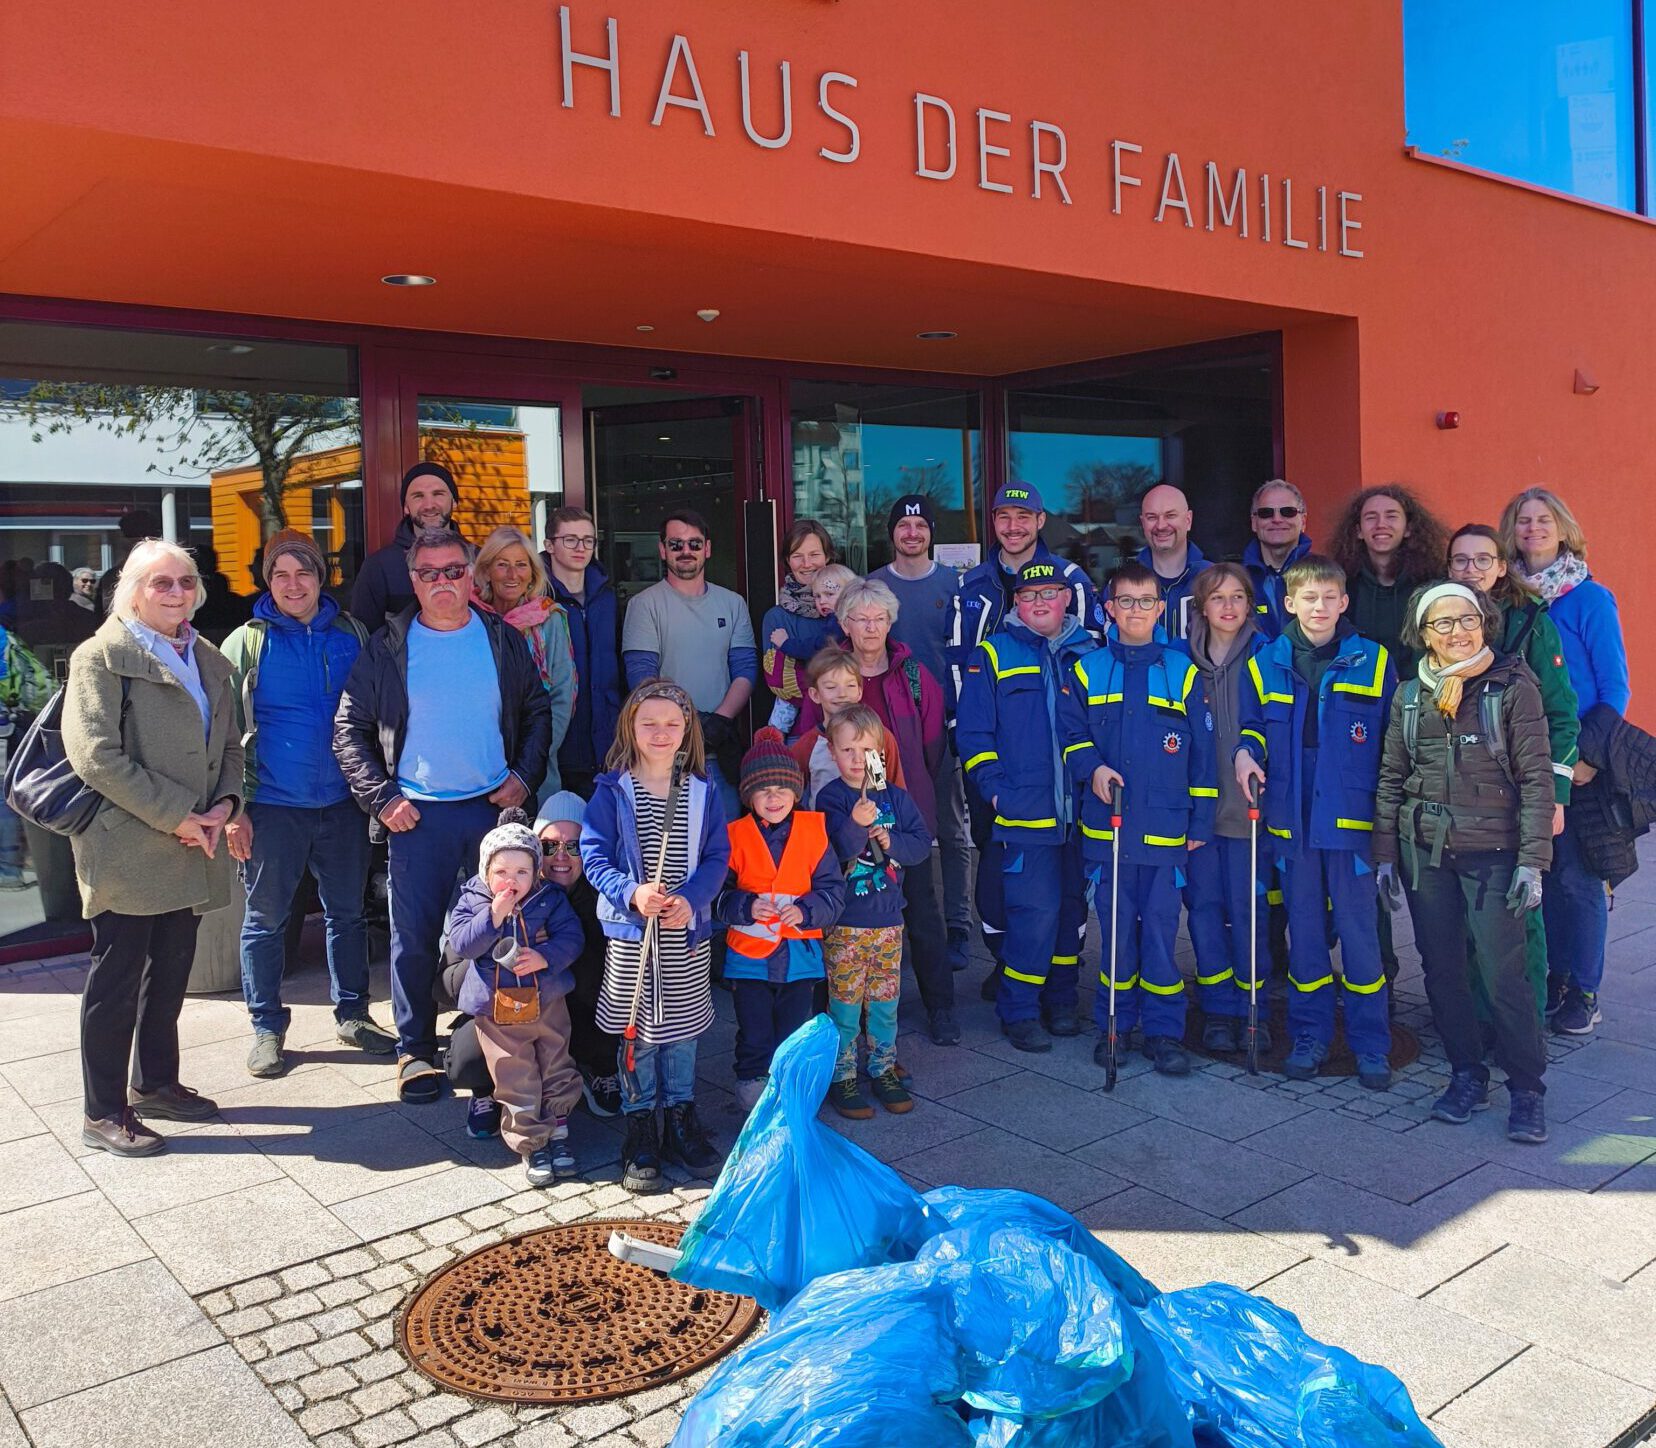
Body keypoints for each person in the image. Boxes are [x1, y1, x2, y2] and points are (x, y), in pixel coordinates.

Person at [333, 526, 552, 1104]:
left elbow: (537, 710)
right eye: (429, 574)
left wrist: (524, 776)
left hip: (492, 814)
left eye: (453, 570)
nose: (442, 582)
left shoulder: (501, 639)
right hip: (417, 815)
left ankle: (490, 1038)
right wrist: (383, 798)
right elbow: (349, 730)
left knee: (501, 925)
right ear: (414, 581)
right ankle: (414, 1050)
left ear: (469, 575)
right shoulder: (388, 646)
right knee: (413, 937)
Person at [62, 539, 244, 1156]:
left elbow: (232, 746)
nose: (176, 593)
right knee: (116, 984)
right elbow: (94, 755)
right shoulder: (101, 656)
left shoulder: (207, 657)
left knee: (168, 975)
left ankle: (157, 1084)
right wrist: (178, 816)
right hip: (128, 847)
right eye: (160, 582)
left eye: (185, 582)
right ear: (132, 591)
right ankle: (102, 1111)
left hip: (194, 842)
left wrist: (224, 806)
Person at [1374, 583, 1553, 1145]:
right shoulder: (1409, 696)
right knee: (1442, 971)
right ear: (1424, 634)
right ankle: (1466, 1074)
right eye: (1444, 623)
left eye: (1468, 619)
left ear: (1485, 622)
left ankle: (1527, 1089)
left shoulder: (1513, 687)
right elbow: (1391, 778)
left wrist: (1532, 861)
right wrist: (1385, 855)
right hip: (1425, 853)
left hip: (1495, 854)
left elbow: (1537, 779)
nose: (1458, 632)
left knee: (1503, 974)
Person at [221, 530, 390, 1079]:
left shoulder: (352, 635)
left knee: (348, 914)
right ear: (267, 582)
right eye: (281, 575)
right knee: (265, 919)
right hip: (271, 804)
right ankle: (266, 1028)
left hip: (343, 802)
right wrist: (233, 809)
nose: (293, 585)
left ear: (321, 578)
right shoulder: (247, 643)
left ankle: (354, 1015)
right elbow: (221, 733)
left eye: (304, 573)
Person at [1236, 554, 1394, 1089]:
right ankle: (1310, 1036)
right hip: (1292, 821)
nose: (1319, 607)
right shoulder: (1265, 662)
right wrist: (1245, 753)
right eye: (1309, 598)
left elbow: (1391, 745)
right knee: (1304, 936)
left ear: (1344, 602)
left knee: (1360, 937)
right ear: (1289, 603)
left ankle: (1371, 1044)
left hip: (1350, 821)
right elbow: (1252, 727)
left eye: (1329, 597)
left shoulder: (1374, 661)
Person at [948, 482, 1103, 984]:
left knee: (1066, 870)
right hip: (997, 760)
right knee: (997, 864)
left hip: (1063, 763)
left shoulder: (1072, 580)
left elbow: (1091, 656)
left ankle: (1060, 966)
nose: (1013, 526)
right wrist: (974, 755)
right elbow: (958, 666)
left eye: (1023, 516)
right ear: (992, 522)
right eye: (1003, 516)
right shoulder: (969, 584)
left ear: (1040, 521)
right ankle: (1007, 962)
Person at [1065, 562, 1215, 1076]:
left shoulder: (1182, 672)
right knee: (1115, 936)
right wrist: (1093, 767)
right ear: (1109, 608)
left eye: (1145, 601)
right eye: (1125, 601)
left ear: (1159, 608)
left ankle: (1164, 1031)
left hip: (1165, 831)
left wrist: (1200, 823)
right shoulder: (1087, 670)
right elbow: (1071, 735)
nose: (1135, 610)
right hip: (1107, 830)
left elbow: (1203, 756)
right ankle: (1115, 1025)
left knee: (1159, 935)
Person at [793, 578, 956, 1045]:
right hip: (834, 837)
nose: (870, 627)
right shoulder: (831, 672)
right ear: (844, 623)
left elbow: (928, 749)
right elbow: (805, 756)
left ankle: (939, 1006)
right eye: (860, 618)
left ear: (890, 622)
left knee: (919, 911)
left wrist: (899, 819)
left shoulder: (912, 676)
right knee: (839, 925)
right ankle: (838, 1022)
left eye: (878, 618)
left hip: (897, 818)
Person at [581, 680, 730, 1191]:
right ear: (631, 727)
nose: (661, 733)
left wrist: (691, 899)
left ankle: (681, 1114)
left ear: (687, 730)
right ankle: (640, 1120)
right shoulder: (612, 790)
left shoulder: (704, 790)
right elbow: (594, 854)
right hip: (632, 936)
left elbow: (717, 857)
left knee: (683, 1031)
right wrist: (630, 892)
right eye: (649, 723)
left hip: (684, 933)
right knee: (637, 1031)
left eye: (672, 723)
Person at [955, 559, 1097, 1054]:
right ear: (1016, 602)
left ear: (1066, 599)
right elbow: (974, 733)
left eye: (1049, 593)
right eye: (1029, 595)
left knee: (1073, 912)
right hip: (1025, 812)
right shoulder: (993, 653)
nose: (1040, 602)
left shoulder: (1092, 652)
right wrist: (996, 791)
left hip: (1083, 813)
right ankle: (1019, 1009)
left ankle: (1062, 1000)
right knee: (1033, 914)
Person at [1503, 486, 1629, 1036]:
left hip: (1578, 761)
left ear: (1563, 530)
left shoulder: (1589, 599)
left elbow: (1614, 688)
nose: (1533, 528)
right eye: (1523, 520)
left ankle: (1585, 988)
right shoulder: (1506, 599)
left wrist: (1587, 758)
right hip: (1521, 759)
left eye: (1543, 520)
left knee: (1578, 878)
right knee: (1542, 874)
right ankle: (1554, 976)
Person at [1445, 524, 1579, 1013]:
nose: (1472, 569)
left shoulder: (1530, 622)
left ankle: (1524, 1027)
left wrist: (1556, 795)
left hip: (1518, 789)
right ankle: (1477, 1021)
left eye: (1483, 559)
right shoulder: (1436, 621)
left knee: (1521, 912)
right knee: (1466, 915)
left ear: (1502, 567)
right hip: (1456, 792)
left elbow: (1561, 713)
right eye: (1461, 560)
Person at [441, 791, 623, 1138]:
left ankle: (591, 1073)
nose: (561, 856)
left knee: (598, 1025)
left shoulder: (598, 899)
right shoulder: (482, 896)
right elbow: (448, 975)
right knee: (469, 1060)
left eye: (574, 846)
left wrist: (549, 955)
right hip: (501, 1007)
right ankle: (488, 1091)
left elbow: (594, 961)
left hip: (566, 1005)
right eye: (550, 846)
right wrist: (491, 952)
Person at [446, 808, 587, 1185]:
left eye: (523, 872)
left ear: (536, 872)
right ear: (485, 872)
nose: (512, 880)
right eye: (502, 872)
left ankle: (558, 1129)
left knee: (556, 1061)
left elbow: (572, 938)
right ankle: (531, 1142)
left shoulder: (549, 898)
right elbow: (463, 944)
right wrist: (492, 916)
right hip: (498, 1010)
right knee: (515, 1073)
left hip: (547, 1000)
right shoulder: (473, 901)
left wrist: (546, 957)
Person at [872, 493, 975, 973]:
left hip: (941, 727)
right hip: (883, 731)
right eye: (903, 525)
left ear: (931, 532)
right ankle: (891, 921)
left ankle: (957, 925)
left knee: (950, 829)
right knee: (883, 825)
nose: (911, 533)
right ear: (891, 532)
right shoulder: (871, 587)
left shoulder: (955, 585)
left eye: (920, 526)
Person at [715, 728, 844, 1109]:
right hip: (748, 959)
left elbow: (833, 891)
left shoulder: (815, 832)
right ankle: (753, 1091)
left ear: (796, 792)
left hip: (799, 958)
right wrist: (744, 906)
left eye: (782, 789)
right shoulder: (733, 836)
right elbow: (716, 896)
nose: (774, 798)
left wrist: (806, 911)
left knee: (794, 1030)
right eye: (763, 790)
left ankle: (790, 1091)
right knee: (753, 1031)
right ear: (748, 796)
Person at [817, 705, 932, 1118]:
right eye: (847, 749)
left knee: (885, 1001)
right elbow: (832, 852)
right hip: (846, 922)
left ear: (879, 753)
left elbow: (921, 845)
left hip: (888, 920)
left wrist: (891, 840)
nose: (856, 758)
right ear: (833, 752)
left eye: (865, 750)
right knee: (845, 1003)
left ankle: (883, 1066)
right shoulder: (831, 797)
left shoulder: (895, 797)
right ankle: (842, 1074)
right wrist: (854, 822)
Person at [620, 509, 757, 819]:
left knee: (725, 839)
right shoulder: (644, 605)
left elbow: (746, 669)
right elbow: (642, 678)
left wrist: (719, 720)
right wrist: (685, 725)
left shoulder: (733, 603)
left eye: (694, 544)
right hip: (667, 754)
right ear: (662, 549)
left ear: (707, 549)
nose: (685, 551)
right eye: (676, 544)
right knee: (673, 841)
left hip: (719, 750)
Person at [1186, 562, 1273, 1051]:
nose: (1228, 606)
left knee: (1248, 911)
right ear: (1201, 606)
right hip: (1198, 814)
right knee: (1203, 909)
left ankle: (1252, 1007)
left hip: (1248, 812)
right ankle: (1217, 1008)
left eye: (1238, 596)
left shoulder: (1266, 655)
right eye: (1217, 597)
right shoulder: (1180, 660)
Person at [473, 525, 575, 796]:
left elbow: (562, 696)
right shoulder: (470, 619)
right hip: (478, 767)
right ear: (486, 570)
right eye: (502, 564)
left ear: (532, 573)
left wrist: (531, 762)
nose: (512, 574)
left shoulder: (549, 619)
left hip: (535, 771)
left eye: (521, 565)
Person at [1330, 484, 1450, 681]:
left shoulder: (1432, 585)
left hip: (1419, 692)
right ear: (1358, 531)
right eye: (1371, 517)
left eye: (1391, 516)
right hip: (1359, 691)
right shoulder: (1342, 585)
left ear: (1408, 529)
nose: (1381, 524)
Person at [543, 506, 621, 800]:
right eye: (570, 540)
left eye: (588, 540)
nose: (581, 548)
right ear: (549, 545)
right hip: (557, 746)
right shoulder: (537, 598)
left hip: (607, 746)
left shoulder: (607, 598)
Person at [787, 646, 908, 805]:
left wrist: (894, 822)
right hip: (827, 820)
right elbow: (787, 796)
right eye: (831, 687)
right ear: (815, 694)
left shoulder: (881, 737)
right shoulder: (807, 746)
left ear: (859, 691)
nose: (842, 694)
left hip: (877, 820)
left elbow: (896, 793)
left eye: (850, 686)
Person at [350, 461, 462, 628]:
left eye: (438, 494)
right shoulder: (378, 567)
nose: (429, 505)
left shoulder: (478, 560)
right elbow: (366, 635)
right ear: (406, 507)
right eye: (418, 496)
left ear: (454, 502)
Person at [760, 520, 841, 733]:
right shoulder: (777, 618)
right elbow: (780, 679)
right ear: (788, 561)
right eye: (797, 556)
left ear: (827, 556)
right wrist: (840, 691)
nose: (807, 563)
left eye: (814, 554)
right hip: (801, 732)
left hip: (851, 727)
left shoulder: (848, 611)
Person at [1136, 483, 1209, 641]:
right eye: (1152, 517)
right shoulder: (1122, 584)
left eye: (1170, 515)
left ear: (1188, 520)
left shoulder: (1215, 581)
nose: (1161, 525)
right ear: (1142, 523)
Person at [1242, 479, 1313, 639]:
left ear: (1303, 521)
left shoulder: (1325, 574)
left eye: (1288, 512)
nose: (1277, 519)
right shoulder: (1236, 580)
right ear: (1254, 523)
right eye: (1266, 513)